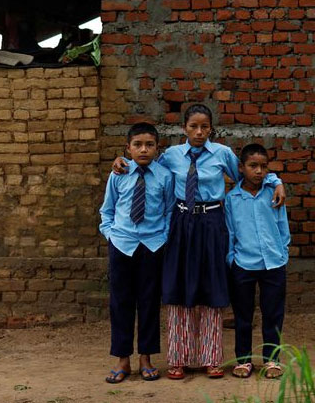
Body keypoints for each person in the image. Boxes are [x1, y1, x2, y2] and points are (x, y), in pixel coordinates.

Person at [112, 104, 285, 379]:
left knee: (211, 287)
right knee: (178, 286)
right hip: (181, 223)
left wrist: (275, 181)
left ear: (211, 129)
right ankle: (178, 357)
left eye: (205, 127)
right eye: (193, 126)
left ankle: (210, 356)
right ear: (184, 128)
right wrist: (121, 161)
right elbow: (146, 166)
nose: (199, 132)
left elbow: (248, 175)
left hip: (212, 222)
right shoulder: (171, 156)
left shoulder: (222, 154)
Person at [99, 122, 175, 384]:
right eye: (138, 145)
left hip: (152, 246)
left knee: (149, 302)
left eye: (149, 145)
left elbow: (168, 211)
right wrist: (111, 235)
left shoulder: (165, 176)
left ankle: (146, 357)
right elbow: (107, 210)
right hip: (122, 244)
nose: (144, 150)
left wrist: (163, 238)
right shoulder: (119, 173)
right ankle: (122, 360)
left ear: (157, 148)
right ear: (128, 148)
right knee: (120, 302)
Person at [225, 143, 290, 379]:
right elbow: (230, 232)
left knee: (273, 314)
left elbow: (282, 226)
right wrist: (232, 261)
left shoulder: (273, 193)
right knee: (243, 316)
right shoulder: (232, 199)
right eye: (253, 166)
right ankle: (243, 360)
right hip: (243, 265)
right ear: (241, 168)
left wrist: (282, 253)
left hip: (273, 264)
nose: (259, 171)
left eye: (264, 166)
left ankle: (272, 360)